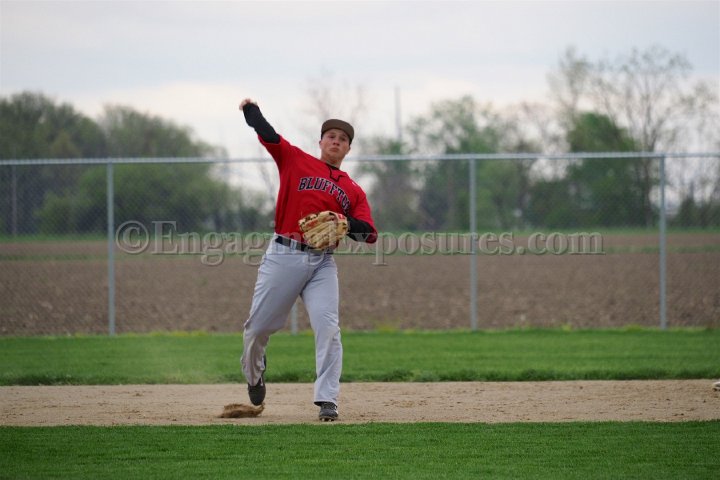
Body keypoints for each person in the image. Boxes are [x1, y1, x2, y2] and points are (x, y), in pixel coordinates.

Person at [238, 98, 378, 421]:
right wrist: (250, 110)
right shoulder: (296, 160)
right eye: (331, 136)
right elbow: (269, 135)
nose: (336, 142)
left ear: (348, 149)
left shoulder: (353, 190)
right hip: (284, 254)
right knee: (257, 329)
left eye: (343, 139)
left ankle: (328, 399)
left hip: (322, 263)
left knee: (328, 328)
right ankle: (254, 373)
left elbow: (369, 233)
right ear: (321, 142)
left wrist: (347, 224)